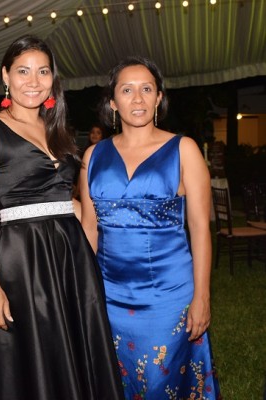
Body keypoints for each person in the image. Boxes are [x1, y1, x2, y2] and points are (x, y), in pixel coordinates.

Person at [0, 35, 124, 400]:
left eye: (43, 72)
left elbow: (70, 200)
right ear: (5, 75)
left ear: (53, 79)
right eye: (23, 71)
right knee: (34, 355)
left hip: (70, 257)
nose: (33, 81)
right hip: (22, 260)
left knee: (74, 350)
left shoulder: (58, 130)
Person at [80, 56, 221, 398]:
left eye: (147, 89)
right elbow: (89, 231)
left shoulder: (183, 150)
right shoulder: (93, 156)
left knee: (164, 382)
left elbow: (201, 229)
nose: (138, 99)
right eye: (127, 90)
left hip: (169, 297)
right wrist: (83, 297)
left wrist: (201, 296)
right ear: (113, 102)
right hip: (109, 296)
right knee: (114, 382)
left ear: (159, 98)